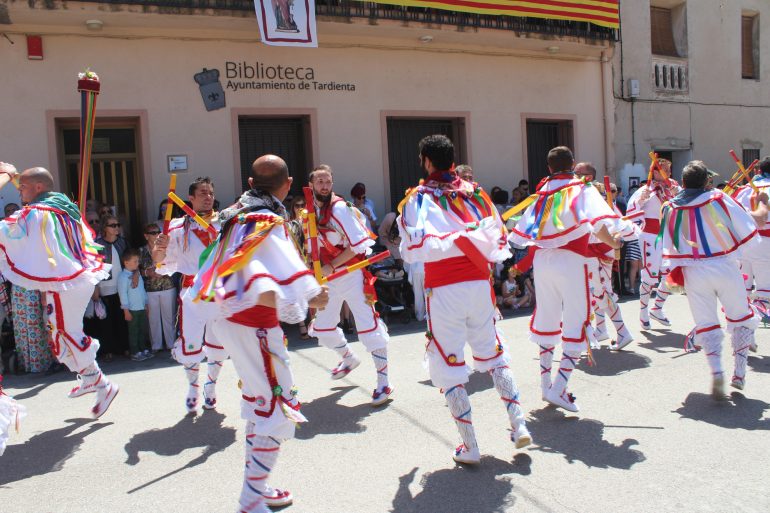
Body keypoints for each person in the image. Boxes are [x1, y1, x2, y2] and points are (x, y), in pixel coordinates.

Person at [192, 155, 328, 512]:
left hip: (232, 321)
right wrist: (313, 294)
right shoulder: (266, 220)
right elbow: (270, 278)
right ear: (288, 184)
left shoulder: (232, 215)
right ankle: (251, 499)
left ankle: (259, 487)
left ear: (251, 184)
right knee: (275, 407)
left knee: (260, 402)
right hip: (255, 326)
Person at [398, 134, 531, 464]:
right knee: (494, 355)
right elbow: (499, 240)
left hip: (443, 289)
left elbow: (412, 249)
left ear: (427, 162)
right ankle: (519, 423)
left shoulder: (417, 198)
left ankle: (470, 447)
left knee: (449, 364)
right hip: (478, 284)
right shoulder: (476, 193)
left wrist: (444, 243)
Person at [509, 147, 624, 413]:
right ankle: (559, 388)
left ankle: (546, 385)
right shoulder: (580, 188)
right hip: (571, 261)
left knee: (548, 318)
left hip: (543, 263)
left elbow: (524, 231)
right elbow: (598, 223)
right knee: (577, 321)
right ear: (572, 164)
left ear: (549, 168)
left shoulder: (542, 193)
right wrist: (614, 242)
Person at [0, 163, 118, 418]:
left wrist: (6, 177)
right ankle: (91, 378)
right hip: (71, 281)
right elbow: (37, 189)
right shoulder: (63, 206)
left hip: (68, 283)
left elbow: (5, 230)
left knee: (66, 334)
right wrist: (13, 176)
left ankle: (103, 385)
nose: (19, 193)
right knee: (60, 336)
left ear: (38, 188)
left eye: (22, 188)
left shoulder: (39, 212)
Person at [659, 161, 767, 398]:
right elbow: (752, 225)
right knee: (740, 318)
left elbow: (668, 245)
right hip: (724, 266)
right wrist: (763, 206)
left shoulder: (669, 207)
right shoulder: (717, 198)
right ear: (706, 181)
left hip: (693, 272)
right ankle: (738, 373)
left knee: (707, 322)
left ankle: (717, 371)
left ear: (684, 182)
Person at [306, 165, 392, 406]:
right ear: (311, 184)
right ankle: (348, 357)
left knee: (368, 327)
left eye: (328, 181)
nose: (324, 185)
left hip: (351, 274)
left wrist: (332, 266)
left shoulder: (340, 208)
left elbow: (358, 246)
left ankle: (384, 382)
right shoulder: (310, 210)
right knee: (322, 327)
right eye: (320, 181)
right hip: (327, 280)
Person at [153, 177, 226, 413]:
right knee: (191, 343)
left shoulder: (225, 224)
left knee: (218, 343)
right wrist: (159, 246)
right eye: (203, 193)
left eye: (211, 193)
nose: (208, 197)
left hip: (218, 290)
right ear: (191, 198)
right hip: (191, 291)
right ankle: (193, 387)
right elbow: (159, 261)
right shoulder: (176, 227)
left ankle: (211, 387)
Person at [625, 158, 681, 329]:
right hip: (650, 236)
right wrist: (641, 201)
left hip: (669, 237)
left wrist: (677, 192)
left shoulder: (673, 188)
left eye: (669, 170)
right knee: (649, 277)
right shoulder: (644, 190)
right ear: (654, 172)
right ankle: (643, 312)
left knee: (671, 275)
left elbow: (685, 203)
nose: (668, 173)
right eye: (663, 169)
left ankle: (657, 308)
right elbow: (630, 211)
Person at [733, 156, 770, 321]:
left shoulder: (742, 190)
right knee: (764, 284)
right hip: (766, 241)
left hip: (745, 241)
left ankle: (741, 314)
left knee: (744, 283)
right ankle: (758, 314)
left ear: (759, 171)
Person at [94, 214, 129, 361]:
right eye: (112, 225)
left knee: (121, 318)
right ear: (105, 228)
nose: (116, 228)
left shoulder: (123, 243)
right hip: (104, 286)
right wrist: (95, 287)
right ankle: (107, 350)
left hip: (121, 286)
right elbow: (93, 267)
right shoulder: (97, 244)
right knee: (105, 321)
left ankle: (124, 347)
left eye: (117, 225)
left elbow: (130, 261)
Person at [139, 223, 177, 352]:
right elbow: (135, 270)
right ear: (146, 236)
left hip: (168, 286)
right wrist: (147, 273)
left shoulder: (168, 248)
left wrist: (165, 270)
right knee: (153, 318)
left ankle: (171, 344)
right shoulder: (141, 251)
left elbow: (176, 264)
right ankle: (156, 345)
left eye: (158, 232)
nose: (156, 235)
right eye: (153, 233)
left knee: (169, 317)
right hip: (150, 289)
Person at [118, 248, 153, 362]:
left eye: (138, 261)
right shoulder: (123, 277)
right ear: (126, 262)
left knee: (142, 329)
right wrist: (126, 311)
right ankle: (135, 351)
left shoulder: (137, 274)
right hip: (132, 309)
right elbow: (123, 295)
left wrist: (146, 303)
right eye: (135, 261)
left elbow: (142, 290)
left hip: (141, 307)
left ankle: (143, 349)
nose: (137, 263)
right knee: (134, 331)